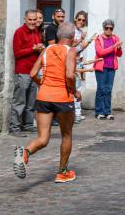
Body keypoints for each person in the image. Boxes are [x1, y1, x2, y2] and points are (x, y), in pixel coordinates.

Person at [13, 22, 79, 183]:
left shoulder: (47, 49)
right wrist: (74, 90)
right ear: (72, 37)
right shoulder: (70, 51)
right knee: (67, 134)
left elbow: (33, 73)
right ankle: (62, 172)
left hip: (44, 97)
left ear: (57, 36)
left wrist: (42, 84)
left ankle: (24, 153)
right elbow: (70, 76)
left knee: (43, 138)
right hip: (62, 98)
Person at [10, 10, 45, 134]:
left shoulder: (36, 32)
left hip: (33, 72)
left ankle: (28, 125)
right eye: (30, 19)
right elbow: (17, 53)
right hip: (23, 71)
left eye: (34, 20)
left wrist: (41, 49)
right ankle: (14, 127)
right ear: (25, 19)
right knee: (20, 101)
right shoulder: (19, 32)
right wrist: (33, 49)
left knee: (31, 102)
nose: (32, 22)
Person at [94, 19, 123, 120]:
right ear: (104, 28)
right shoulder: (98, 39)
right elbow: (100, 52)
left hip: (111, 67)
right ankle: (99, 111)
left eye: (111, 28)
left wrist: (118, 48)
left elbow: (119, 54)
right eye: (107, 28)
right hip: (101, 67)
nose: (109, 30)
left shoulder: (115, 38)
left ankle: (107, 111)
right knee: (101, 89)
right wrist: (113, 47)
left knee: (108, 90)